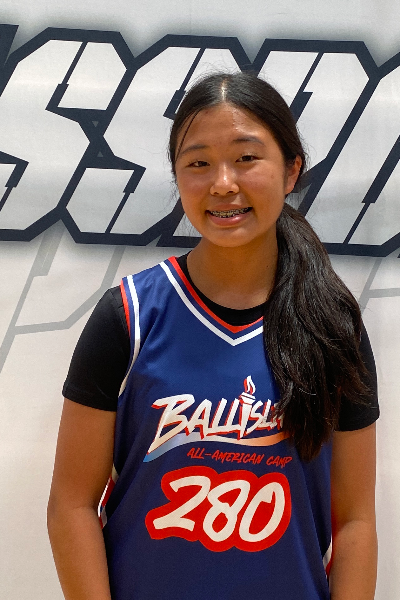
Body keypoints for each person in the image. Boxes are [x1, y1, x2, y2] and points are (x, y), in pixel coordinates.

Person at [47, 72, 379, 600]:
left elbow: (356, 521)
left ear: (292, 170)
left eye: (246, 158)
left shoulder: (333, 326)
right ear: (178, 177)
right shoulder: (129, 318)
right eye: (198, 163)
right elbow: (71, 505)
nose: (223, 183)